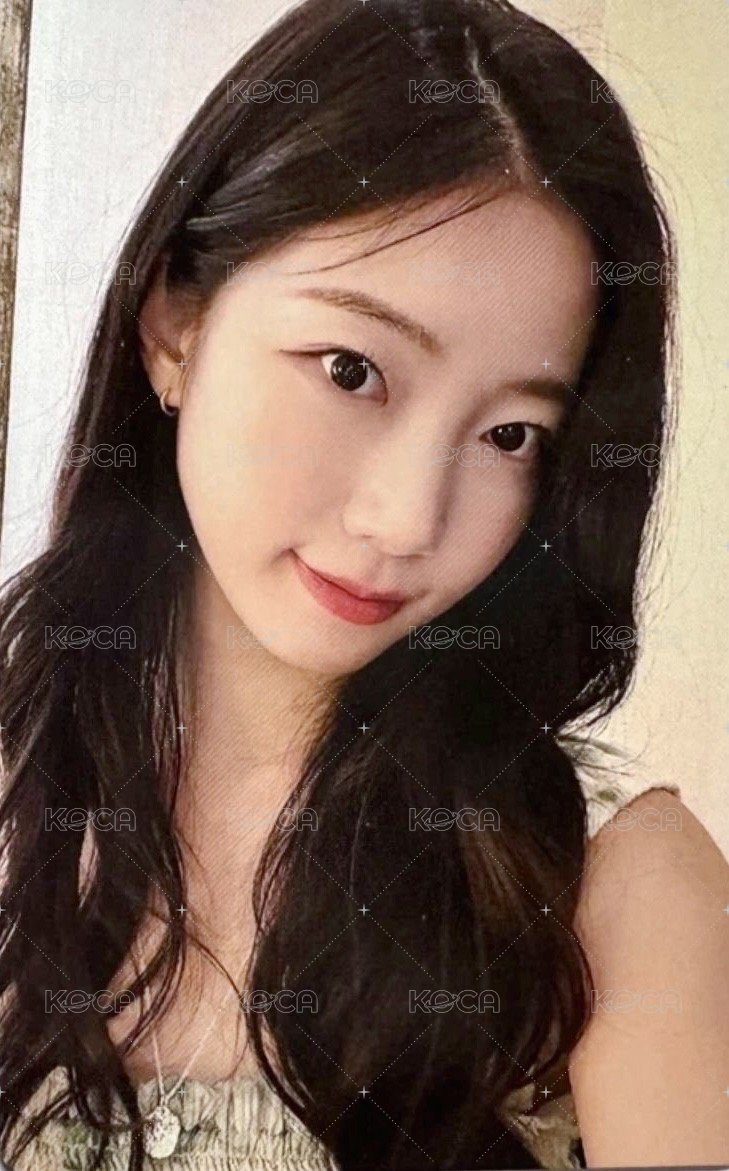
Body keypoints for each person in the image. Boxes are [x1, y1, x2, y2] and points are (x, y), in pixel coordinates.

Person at [1, 0, 728, 1167]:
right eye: (352, 370)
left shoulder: (614, 894)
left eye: (510, 435)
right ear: (176, 323)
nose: (408, 517)